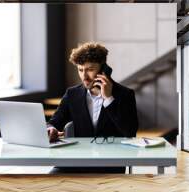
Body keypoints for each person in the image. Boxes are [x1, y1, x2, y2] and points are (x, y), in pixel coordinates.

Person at [47, 42, 138, 173]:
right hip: (76, 160)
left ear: (103, 69)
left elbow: (130, 132)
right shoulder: (72, 94)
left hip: (110, 162)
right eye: (80, 69)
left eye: (90, 69)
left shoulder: (125, 94)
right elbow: (54, 122)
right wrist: (51, 129)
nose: (84, 76)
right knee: (51, 178)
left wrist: (108, 99)